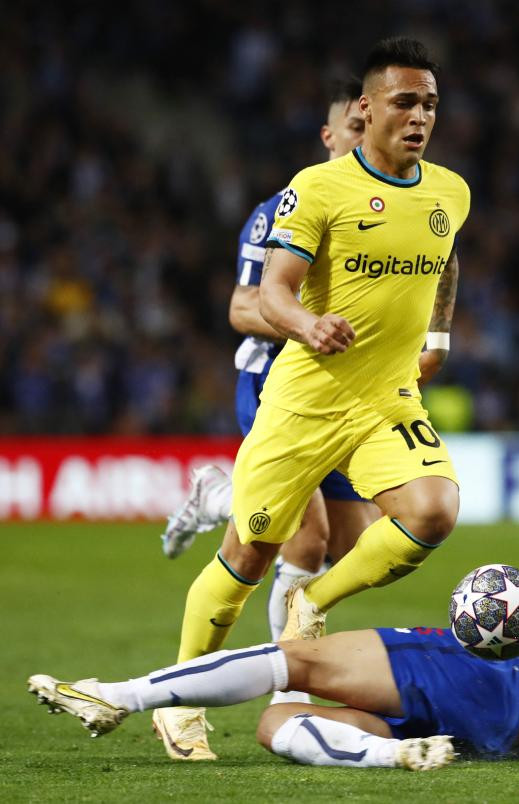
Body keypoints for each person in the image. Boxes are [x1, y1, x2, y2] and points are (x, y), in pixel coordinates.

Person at [144, 36, 465, 761]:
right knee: (251, 556)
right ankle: (178, 700)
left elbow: (445, 257)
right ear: (363, 110)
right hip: (301, 395)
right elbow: (265, 293)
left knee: (431, 512)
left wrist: (438, 335)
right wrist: (306, 323)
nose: (419, 117)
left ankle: (310, 604)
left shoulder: (451, 191)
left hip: (385, 398)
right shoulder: (312, 191)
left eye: (430, 104)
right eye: (405, 102)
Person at [28, 495, 519, 769]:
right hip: (498, 725)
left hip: (498, 686)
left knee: (295, 660)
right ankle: (395, 753)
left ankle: (118, 696)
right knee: (281, 723)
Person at [161, 80, 381, 708]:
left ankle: (220, 495)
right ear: (330, 136)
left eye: (372, 128)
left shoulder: (382, 217)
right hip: (274, 383)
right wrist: (306, 322)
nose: (365, 138)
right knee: (303, 536)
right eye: (354, 128)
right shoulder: (283, 210)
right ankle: (293, 686)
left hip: (345, 395)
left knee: (355, 543)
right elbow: (240, 306)